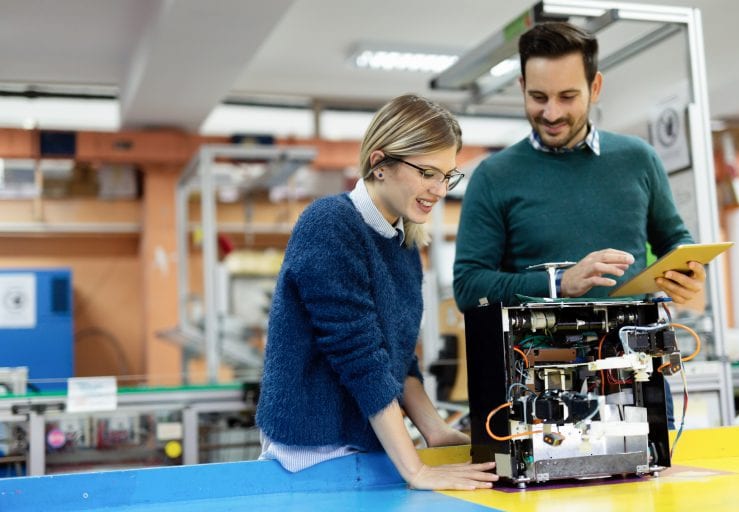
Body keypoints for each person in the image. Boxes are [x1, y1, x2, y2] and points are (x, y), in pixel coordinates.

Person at [452, 22, 706, 430]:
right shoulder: (494, 176)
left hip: (635, 378)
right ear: (521, 86)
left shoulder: (638, 159)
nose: (551, 113)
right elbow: (468, 287)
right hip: (536, 389)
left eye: (567, 96)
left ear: (596, 86)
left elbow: (675, 240)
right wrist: (558, 284)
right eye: (538, 97)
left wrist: (688, 273)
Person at [257, 94, 498, 491]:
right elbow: (362, 358)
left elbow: (398, 359)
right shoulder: (331, 223)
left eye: (448, 176)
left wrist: (434, 431)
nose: (439, 189)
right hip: (311, 453)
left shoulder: (405, 245)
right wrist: (416, 470)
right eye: (427, 173)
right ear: (379, 162)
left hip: (368, 450)